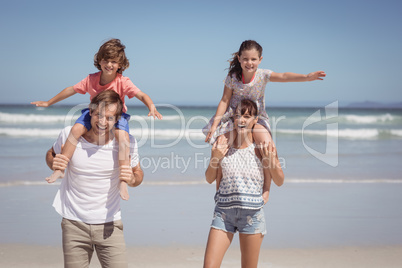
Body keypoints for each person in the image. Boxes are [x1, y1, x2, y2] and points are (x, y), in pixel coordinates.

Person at [33, 38, 161, 200]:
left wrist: (151, 106)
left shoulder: (123, 82)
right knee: (76, 129)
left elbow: (141, 94)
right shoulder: (91, 79)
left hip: (115, 116)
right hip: (94, 112)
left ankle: (123, 180)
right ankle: (60, 168)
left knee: (123, 138)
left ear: (120, 64)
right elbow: (70, 90)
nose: (109, 64)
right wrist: (49, 102)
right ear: (99, 61)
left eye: (114, 61)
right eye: (106, 60)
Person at [46, 90, 143, 268]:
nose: (102, 122)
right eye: (98, 114)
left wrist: (131, 180)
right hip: (73, 222)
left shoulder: (127, 142)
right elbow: (50, 154)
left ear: (118, 119)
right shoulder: (70, 134)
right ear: (90, 111)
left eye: (109, 118)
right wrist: (54, 162)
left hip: (110, 224)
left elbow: (138, 174)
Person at [203, 99, 284, 268]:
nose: (242, 120)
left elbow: (280, 180)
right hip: (223, 214)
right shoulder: (223, 145)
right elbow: (210, 178)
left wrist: (270, 161)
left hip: (252, 216)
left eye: (247, 116)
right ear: (233, 119)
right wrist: (215, 158)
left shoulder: (261, 148)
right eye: (239, 115)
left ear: (255, 120)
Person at [203, 39, 326, 146]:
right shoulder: (233, 77)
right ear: (239, 59)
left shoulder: (263, 75)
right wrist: (215, 125)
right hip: (234, 117)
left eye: (253, 59)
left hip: (256, 117)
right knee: (220, 146)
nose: (249, 63)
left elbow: (283, 76)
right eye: (245, 59)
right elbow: (225, 100)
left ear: (260, 60)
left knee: (267, 146)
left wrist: (306, 77)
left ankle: (271, 172)